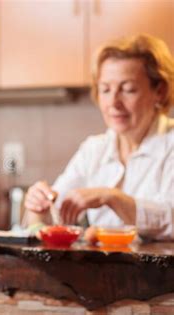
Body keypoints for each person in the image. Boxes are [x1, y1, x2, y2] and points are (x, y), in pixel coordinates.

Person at [24, 34, 174, 241]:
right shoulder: (94, 150)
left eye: (128, 89)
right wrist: (39, 205)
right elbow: (54, 216)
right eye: (105, 89)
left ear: (160, 91)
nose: (114, 102)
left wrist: (112, 197)